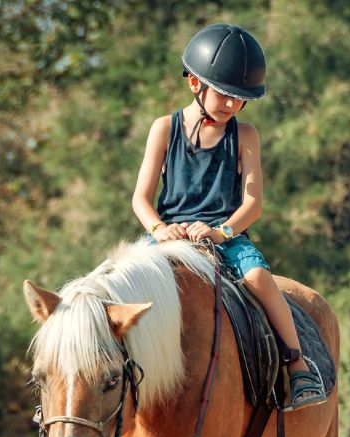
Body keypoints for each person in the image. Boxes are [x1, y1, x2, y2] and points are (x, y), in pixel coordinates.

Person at [131, 23, 325, 410]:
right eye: (225, 95)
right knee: (122, 281)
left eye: (240, 100)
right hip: (169, 233)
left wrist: (221, 232)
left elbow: (253, 204)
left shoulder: (246, 136)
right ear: (194, 84)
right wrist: (159, 228)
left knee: (258, 278)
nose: (232, 106)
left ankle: (298, 365)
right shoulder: (163, 128)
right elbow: (140, 198)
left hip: (225, 234)